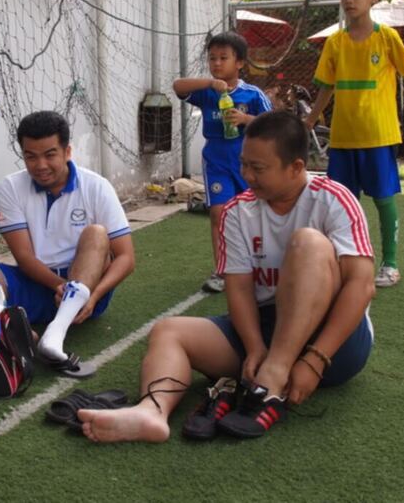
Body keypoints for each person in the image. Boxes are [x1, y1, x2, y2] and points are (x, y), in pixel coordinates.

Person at [77, 111, 375, 443]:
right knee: (169, 331)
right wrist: (254, 347)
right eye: (244, 164)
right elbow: (240, 290)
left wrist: (316, 360)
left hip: (334, 343)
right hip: (266, 328)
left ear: (296, 168)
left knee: (308, 243)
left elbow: (361, 285)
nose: (246, 175)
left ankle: (275, 374)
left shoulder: (334, 198)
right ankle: (152, 412)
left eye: (258, 168)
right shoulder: (237, 211)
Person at [0, 111, 135, 376]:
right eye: (31, 156)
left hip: (84, 289)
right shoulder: (10, 187)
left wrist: (94, 295)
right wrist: (58, 286)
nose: (40, 165)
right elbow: (24, 257)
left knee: (97, 233)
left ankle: (55, 334)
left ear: (67, 151)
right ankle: (23, 334)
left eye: (50, 154)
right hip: (34, 282)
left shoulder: (97, 186)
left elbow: (126, 257)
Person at [304, 0, 404, 288]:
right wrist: (311, 118)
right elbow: (326, 87)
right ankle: (344, 262)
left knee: (383, 200)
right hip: (342, 139)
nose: (349, 1)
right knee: (342, 204)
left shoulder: (388, 38)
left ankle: (391, 263)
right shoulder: (335, 43)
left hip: (378, 136)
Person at [173, 31, 272, 294]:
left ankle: (258, 264)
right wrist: (208, 84)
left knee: (254, 214)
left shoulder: (252, 94)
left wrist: (245, 120)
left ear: (239, 62)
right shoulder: (206, 93)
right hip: (216, 161)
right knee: (219, 213)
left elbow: (273, 125)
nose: (216, 63)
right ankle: (221, 270)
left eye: (223, 58)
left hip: (248, 164)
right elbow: (177, 86)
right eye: (212, 58)